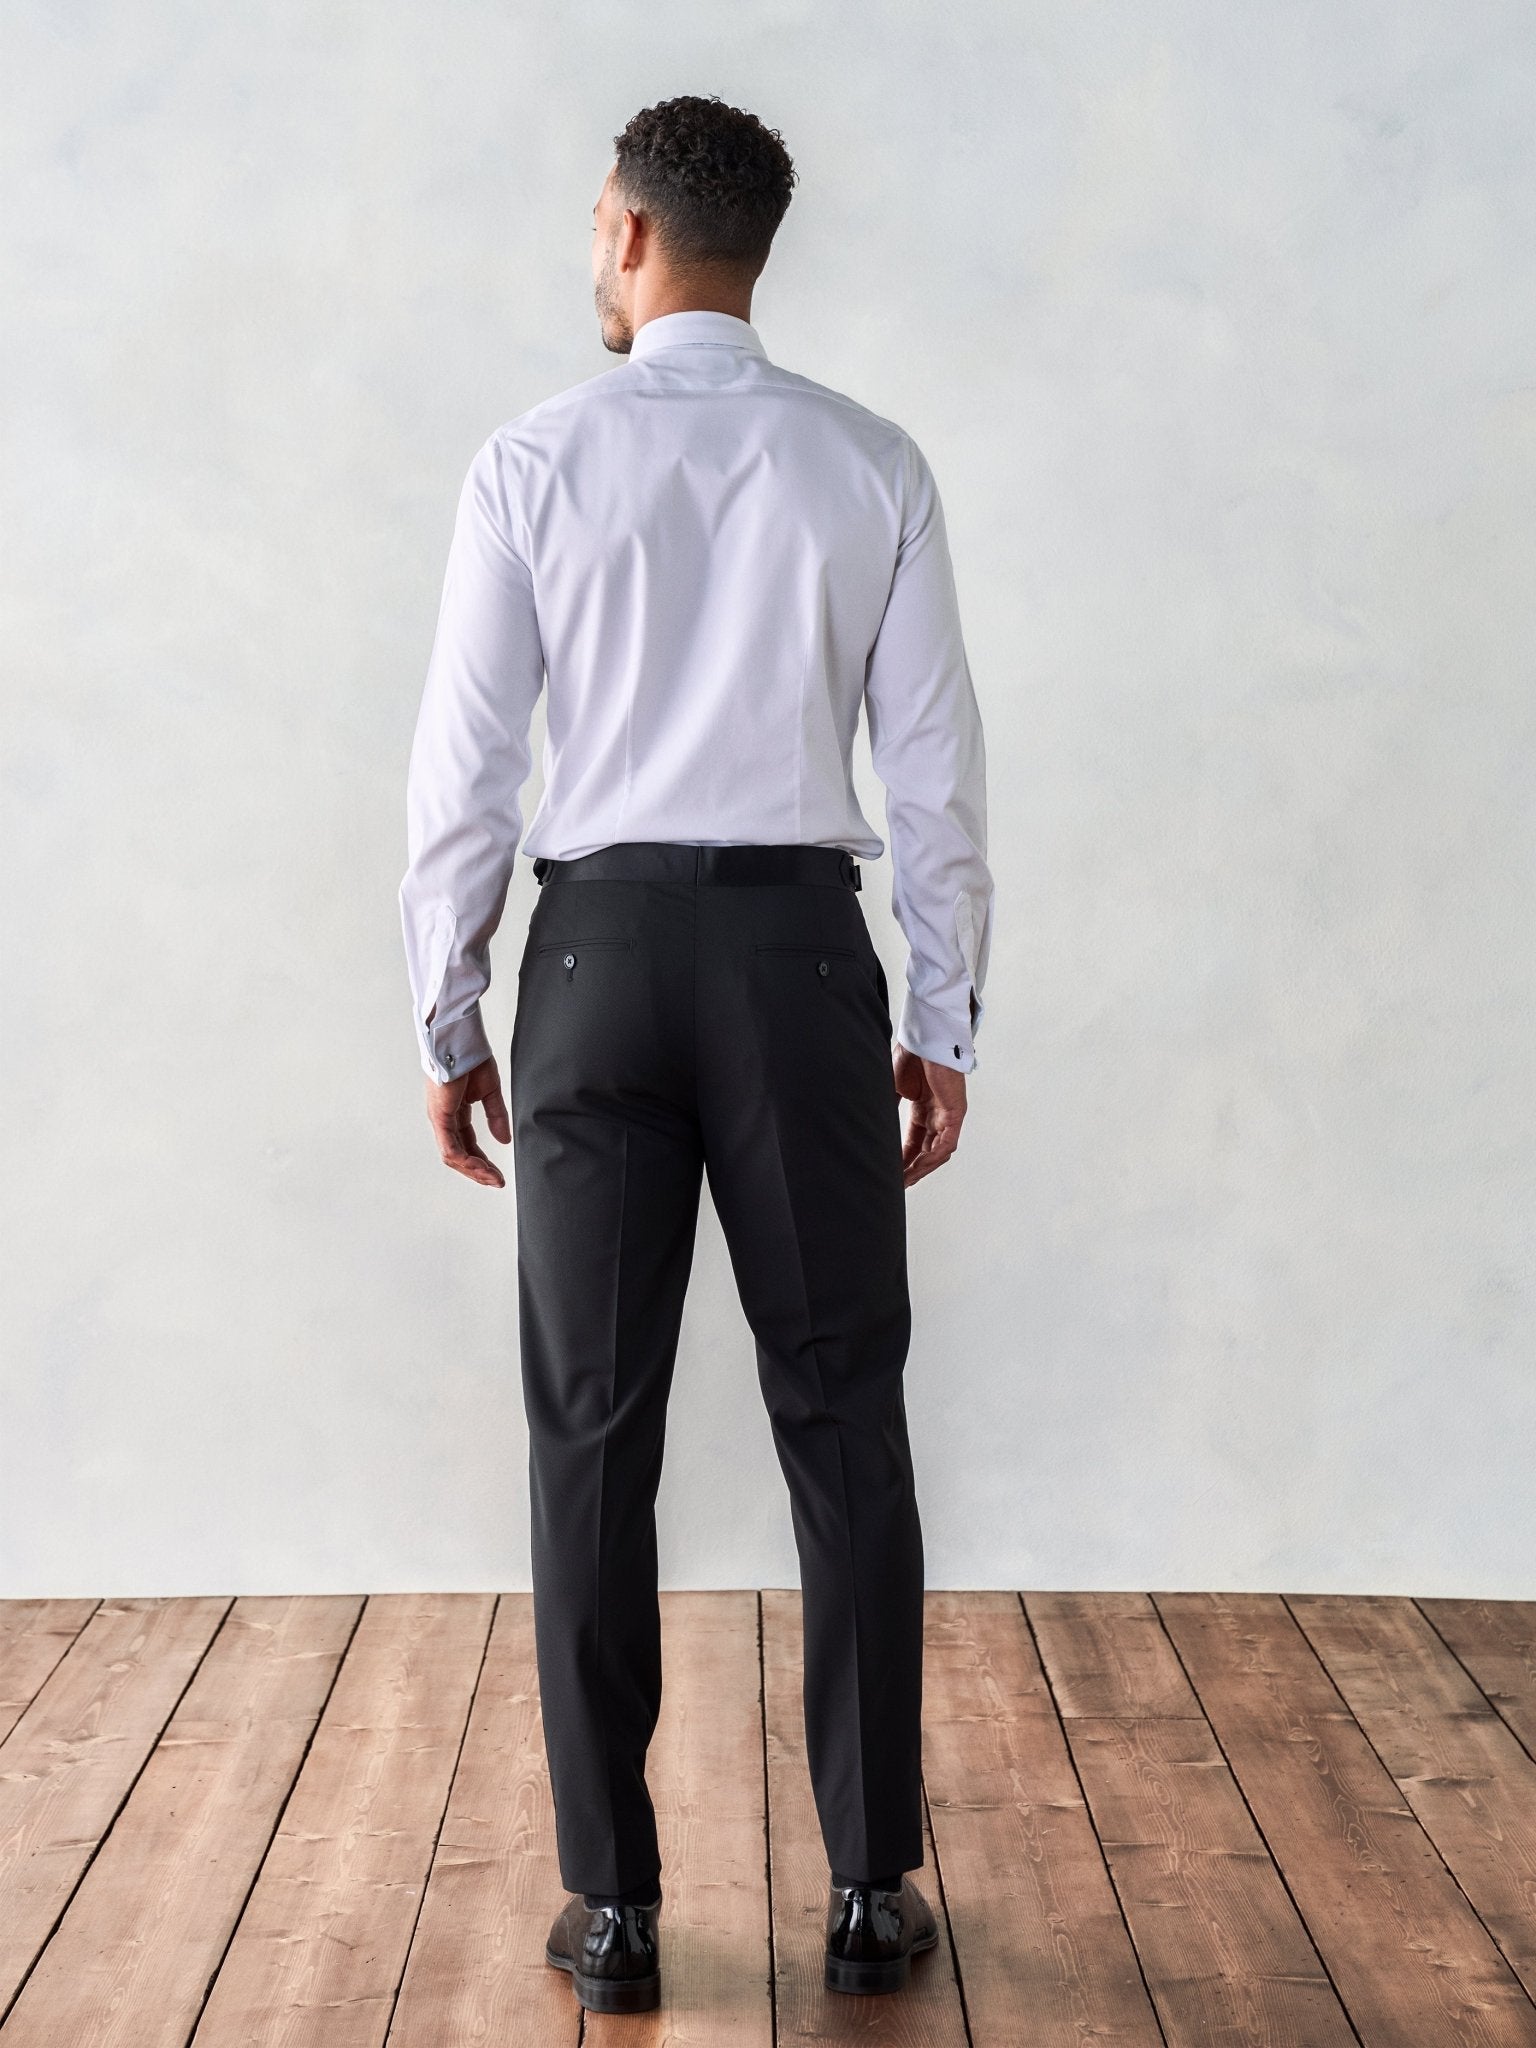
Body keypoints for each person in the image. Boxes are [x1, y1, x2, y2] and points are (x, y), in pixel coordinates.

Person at [398, 92, 993, 2013]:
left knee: (592, 1434)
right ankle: (874, 1893)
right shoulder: (870, 463)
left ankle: (617, 1905)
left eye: (597, 223)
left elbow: (468, 770)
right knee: (845, 1421)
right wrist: (942, 1014)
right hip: (803, 971)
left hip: (594, 959)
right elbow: (935, 775)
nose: (592, 249)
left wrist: (448, 1005)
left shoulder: (531, 463)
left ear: (637, 238)